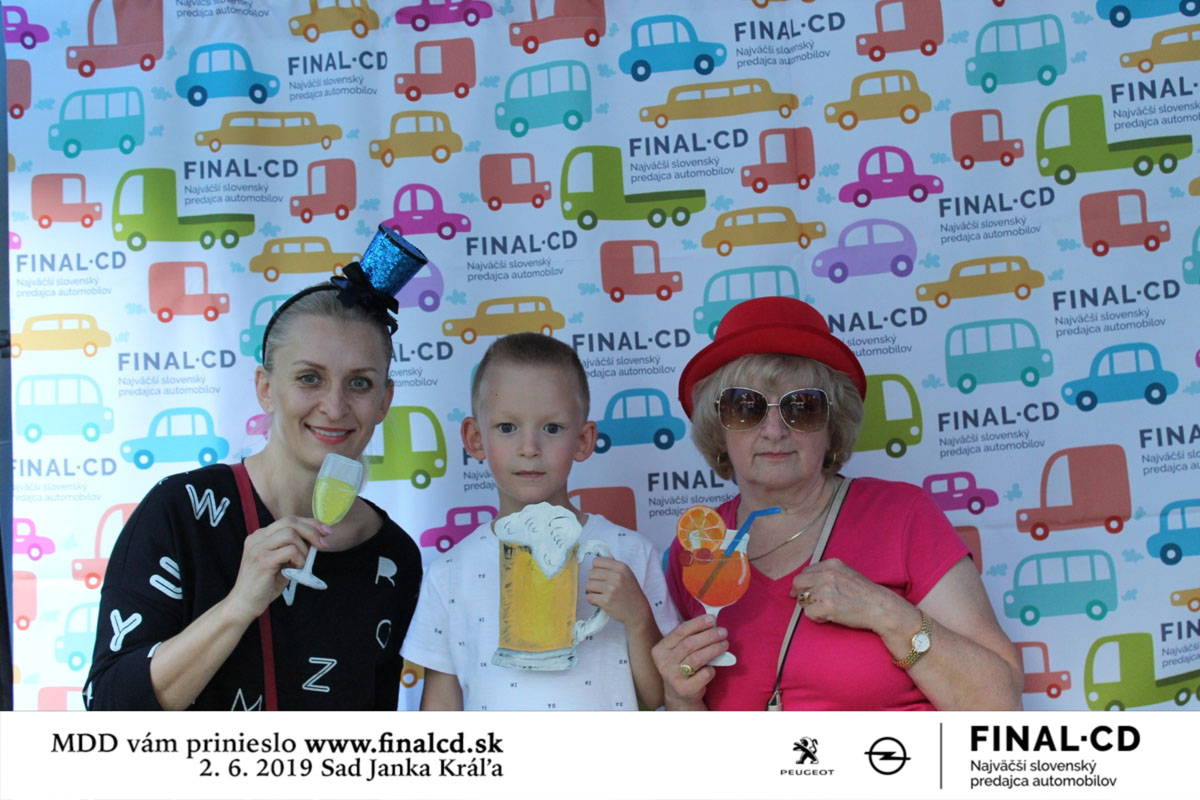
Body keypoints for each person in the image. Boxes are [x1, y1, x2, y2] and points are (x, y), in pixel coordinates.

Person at [653, 297, 1022, 711]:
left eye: (802, 408)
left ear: (833, 425)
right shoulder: (697, 545)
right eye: (745, 407)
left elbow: (1000, 702)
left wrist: (884, 611)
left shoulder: (902, 515)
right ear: (717, 426)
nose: (774, 430)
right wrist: (678, 697)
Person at [85, 273, 422, 710]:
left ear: (384, 401)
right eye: (309, 378)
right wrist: (239, 605)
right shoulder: (181, 512)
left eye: (359, 383)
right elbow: (109, 706)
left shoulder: (394, 557)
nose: (334, 406)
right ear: (266, 389)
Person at [402, 332, 679, 710]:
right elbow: (440, 712)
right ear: (475, 438)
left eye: (551, 428)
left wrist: (638, 618)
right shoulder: (448, 574)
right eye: (507, 427)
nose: (529, 448)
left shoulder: (631, 553)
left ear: (583, 440)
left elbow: (657, 697)